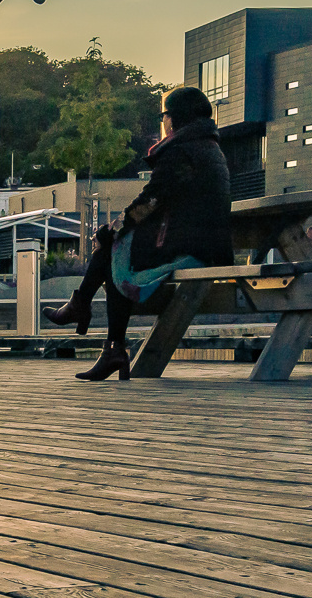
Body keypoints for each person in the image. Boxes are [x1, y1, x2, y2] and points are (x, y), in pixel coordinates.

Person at [44, 86, 233, 381]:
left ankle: (95, 324)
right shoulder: (208, 147)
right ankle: (102, 335)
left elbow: (150, 201)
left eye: (165, 115)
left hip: (191, 248)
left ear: (176, 117)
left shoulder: (182, 151)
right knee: (114, 249)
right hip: (206, 244)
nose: (164, 122)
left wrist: (111, 230)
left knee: (112, 249)